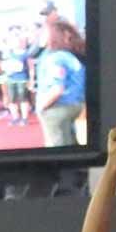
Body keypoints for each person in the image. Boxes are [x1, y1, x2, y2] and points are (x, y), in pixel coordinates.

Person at [35, 20, 86, 148]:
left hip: (58, 106)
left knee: (56, 146)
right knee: (70, 141)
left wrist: (41, 107)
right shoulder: (70, 56)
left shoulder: (55, 58)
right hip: (75, 103)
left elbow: (57, 88)